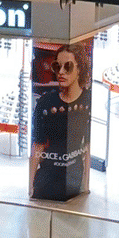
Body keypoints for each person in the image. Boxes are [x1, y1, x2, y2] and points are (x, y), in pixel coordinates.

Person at [30, 45, 89, 200]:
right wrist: (30, 185)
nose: (61, 72)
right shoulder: (45, 102)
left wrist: (86, 184)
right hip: (46, 181)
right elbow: (37, 146)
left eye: (67, 67)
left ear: (80, 68)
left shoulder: (88, 101)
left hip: (73, 180)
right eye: (57, 66)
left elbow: (87, 146)